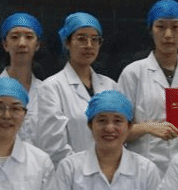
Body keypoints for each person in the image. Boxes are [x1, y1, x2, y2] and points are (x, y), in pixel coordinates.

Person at [119, 0, 178, 176]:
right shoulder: (133, 74)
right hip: (142, 169)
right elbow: (117, 130)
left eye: (175, 27)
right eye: (160, 27)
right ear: (151, 30)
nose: (168, 34)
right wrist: (147, 127)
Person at [34, 12, 117, 167]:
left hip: (108, 171)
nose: (89, 45)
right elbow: (53, 146)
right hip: (71, 174)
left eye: (95, 39)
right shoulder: (51, 87)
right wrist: (85, 170)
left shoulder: (110, 85)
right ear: (67, 43)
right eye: (81, 38)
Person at [0, 12, 45, 143]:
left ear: (37, 45)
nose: (22, 43)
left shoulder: (48, 91)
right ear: (5, 44)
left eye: (29, 37)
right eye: (14, 37)